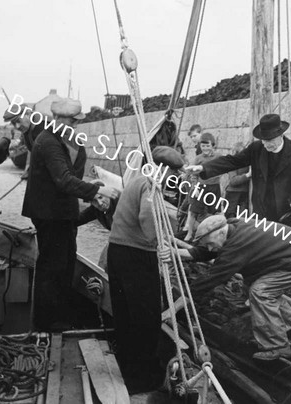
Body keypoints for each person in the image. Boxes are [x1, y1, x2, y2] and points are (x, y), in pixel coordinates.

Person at [22, 98, 119, 331]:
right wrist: (98, 190)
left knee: (65, 264)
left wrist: (91, 190)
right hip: (49, 215)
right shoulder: (48, 142)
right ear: (59, 119)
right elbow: (63, 180)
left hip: (63, 214)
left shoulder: (66, 141)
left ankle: (60, 315)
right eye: (73, 122)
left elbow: (70, 178)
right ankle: (47, 322)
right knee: (51, 267)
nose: (75, 126)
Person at [177, 214, 291, 361]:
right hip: (289, 254)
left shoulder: (237, 244)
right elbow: (206, 251)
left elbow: (212, 278)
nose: (211, 248)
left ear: (221, 233)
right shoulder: (231, 228)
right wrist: (174, 252)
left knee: (261, 292)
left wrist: (182, 300)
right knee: (264, 290)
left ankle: (277, 346)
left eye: (210, 243)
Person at [107, 146, 185, 394]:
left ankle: (126, 368)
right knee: (146, 318)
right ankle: (142, 380)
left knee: (125, 315)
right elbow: (148, 222)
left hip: (117, 251)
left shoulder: (136, 180)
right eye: (172, 172)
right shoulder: (151, 185)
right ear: (161, 168)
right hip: (136, 256)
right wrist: (160, 239)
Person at [187, 113, 291, 237]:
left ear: (281, 135)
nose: (266, 144)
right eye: (263, 140)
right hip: (264, 215)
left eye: (270, 140)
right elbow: (233, 161)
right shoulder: (257, 149)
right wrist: (203, 167)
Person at [184, 132, 223, 241]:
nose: (205, 148)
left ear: (213, 145)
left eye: (208, 146)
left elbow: (224, 166)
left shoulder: (218, 156)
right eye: (203, 146)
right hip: (201, 187)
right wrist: (195, 188)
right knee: (193, 211)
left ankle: (211, 235)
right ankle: (190, 233)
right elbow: (193, 175)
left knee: (214, 212)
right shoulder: (198, 159)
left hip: (214, 187)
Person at [224, 142, 250, 218]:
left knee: (243, 217)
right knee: (230, 216)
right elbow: (233, 181)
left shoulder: (247, 164)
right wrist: (247, 175)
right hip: (233, 194)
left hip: (244, 193)